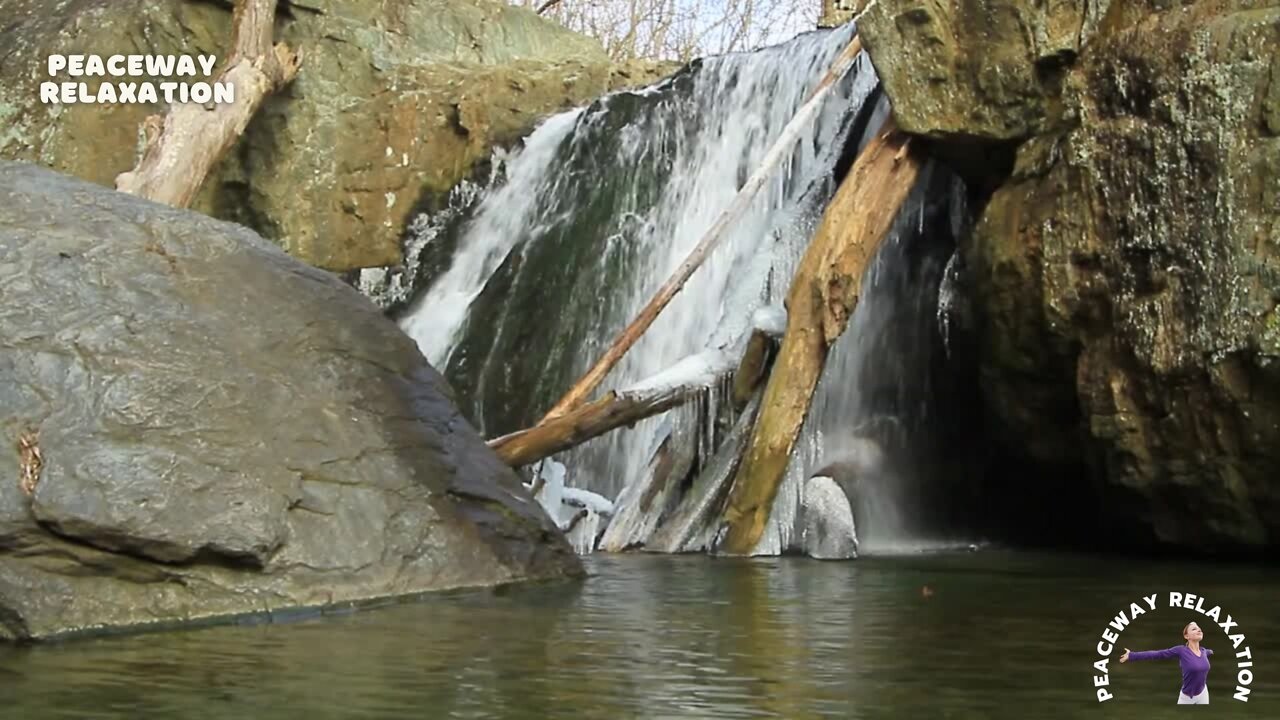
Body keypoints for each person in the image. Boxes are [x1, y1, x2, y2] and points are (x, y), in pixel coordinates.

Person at [1120, 622, 1214, 704]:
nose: (1199, 630)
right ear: (1186, 636)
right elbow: (1158, 654)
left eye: (1199, 629)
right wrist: (1132, 655)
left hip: (1203, 694)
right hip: (1187, 698)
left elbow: (1208, 652)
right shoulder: (1181, 650)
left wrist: (1212, 651)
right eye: (1194, 629)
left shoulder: (1204, 651)